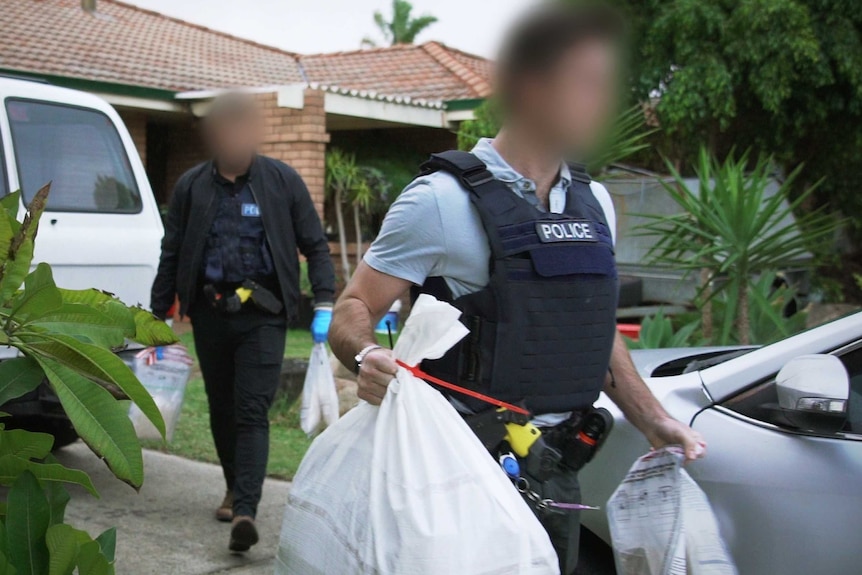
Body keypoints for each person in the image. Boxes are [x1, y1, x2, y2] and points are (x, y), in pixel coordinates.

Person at [328, 4, 706, 573]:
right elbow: (350, 309)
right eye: (587, 84)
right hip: (456, 467)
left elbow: (589, 326)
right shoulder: (439, 201)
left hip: (557, 464)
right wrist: (368, 354)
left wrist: (652, 417)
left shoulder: (594, 201)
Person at [150, 92, 335, 552]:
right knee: (221, 405)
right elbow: (171, 252)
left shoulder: (281, 182)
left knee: (251, 409)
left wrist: (326, 300)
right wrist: (156, 316)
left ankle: (247, 510)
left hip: (264, 316)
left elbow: (315, 244)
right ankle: (234, 487)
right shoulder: (192, 186)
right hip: (210, 315)